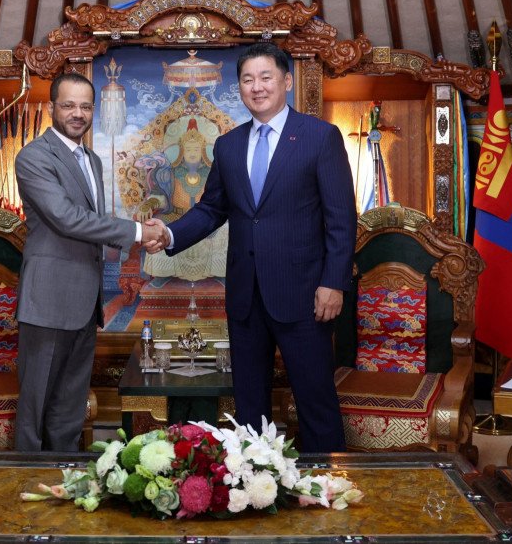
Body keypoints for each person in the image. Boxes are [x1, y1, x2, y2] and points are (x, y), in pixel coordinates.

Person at [148, 42, 357, 452]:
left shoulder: (320, 137)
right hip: (245, 296)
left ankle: (327, 483)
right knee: (249, 407)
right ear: (240, 87)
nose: (257, 87)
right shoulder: (228, 145)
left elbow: (341, 219)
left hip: (305, 295)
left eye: (265, 77)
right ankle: (255, 482)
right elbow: (211, 208)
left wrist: (333, 282)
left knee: (315, 400)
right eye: (247, 80)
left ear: (286, 82)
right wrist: (170, 234)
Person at [13, 72, 166, 451]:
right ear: (52, 107)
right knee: (36, 408)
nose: (77, 113)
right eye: (68, 105)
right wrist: (137, 232)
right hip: (48, 301)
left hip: (85, 301)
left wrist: (143, 240)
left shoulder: (92, 160)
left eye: (85, 106)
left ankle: (65, 473)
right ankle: (26, 477)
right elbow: (66, 218)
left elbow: (91, 225)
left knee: (69, 406)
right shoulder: (34, 157)